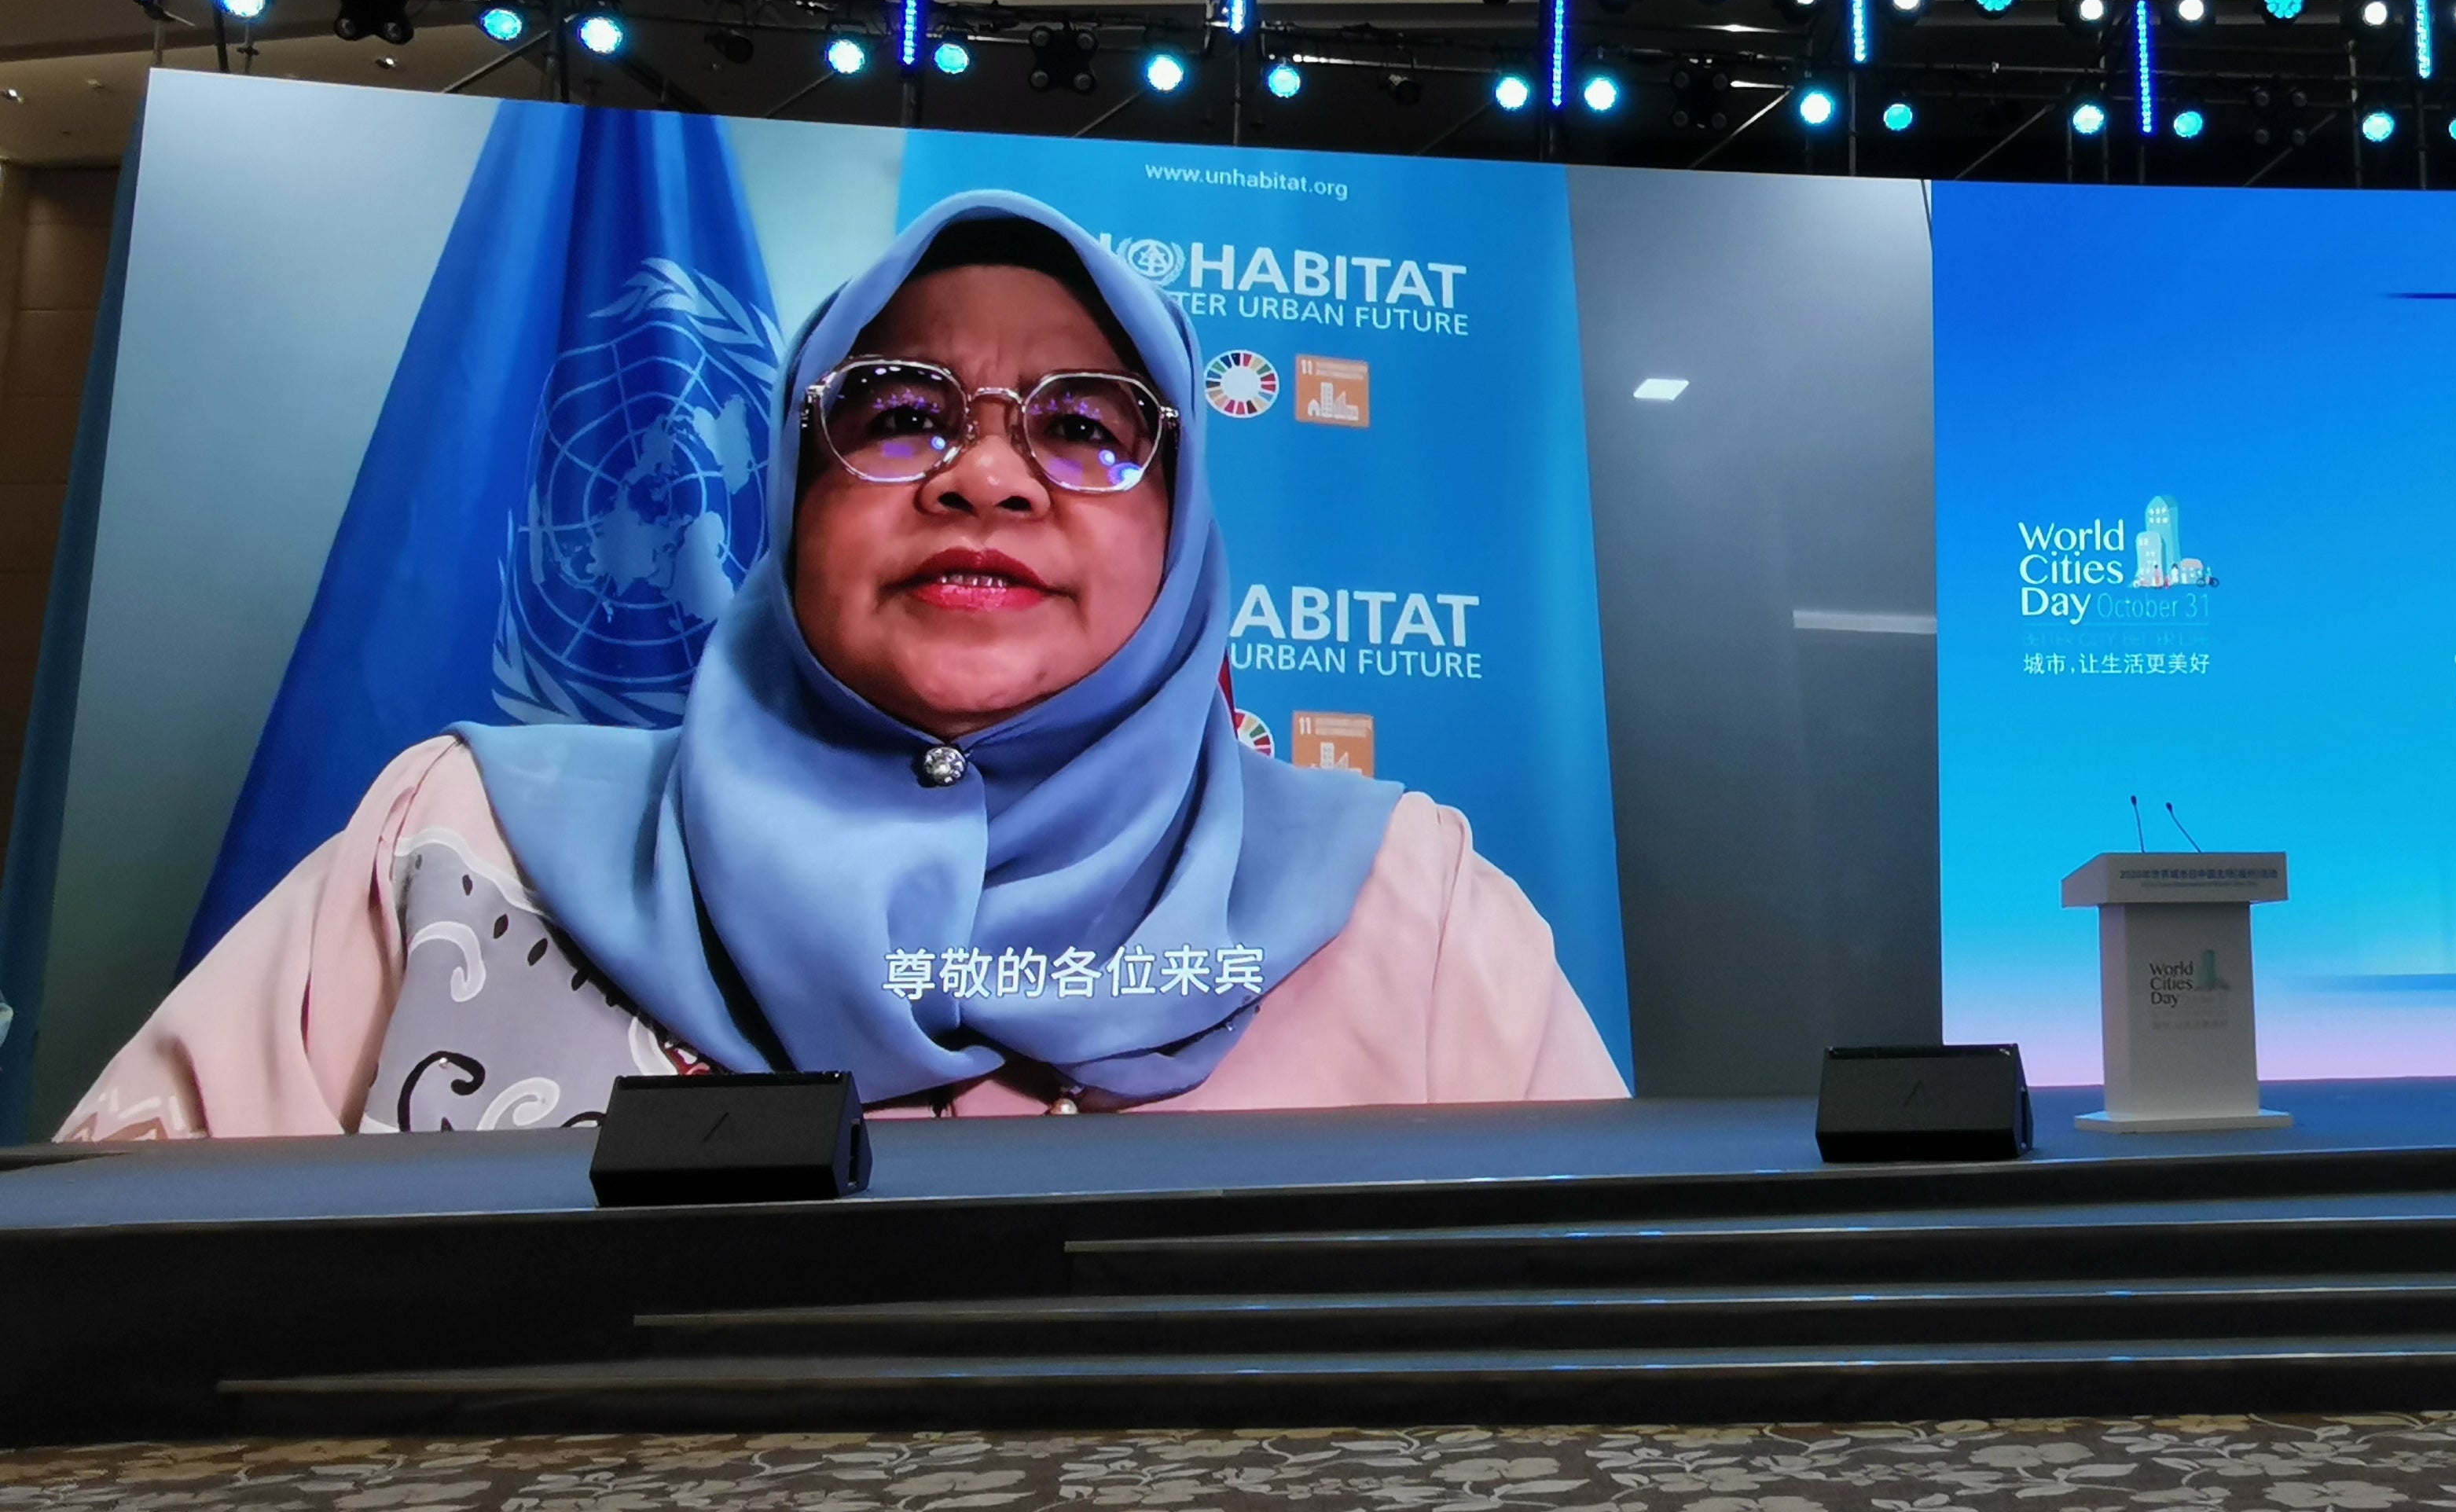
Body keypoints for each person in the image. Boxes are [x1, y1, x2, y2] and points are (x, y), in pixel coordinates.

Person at [64, 192, 1622, 1139]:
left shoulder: (1405, 912)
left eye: (1082, 428)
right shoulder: (459, 848)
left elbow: (1597, 1367)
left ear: (1184, 527)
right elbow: (122, 1286)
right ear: (793, 503)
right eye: (896, 414)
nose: (987, 479)